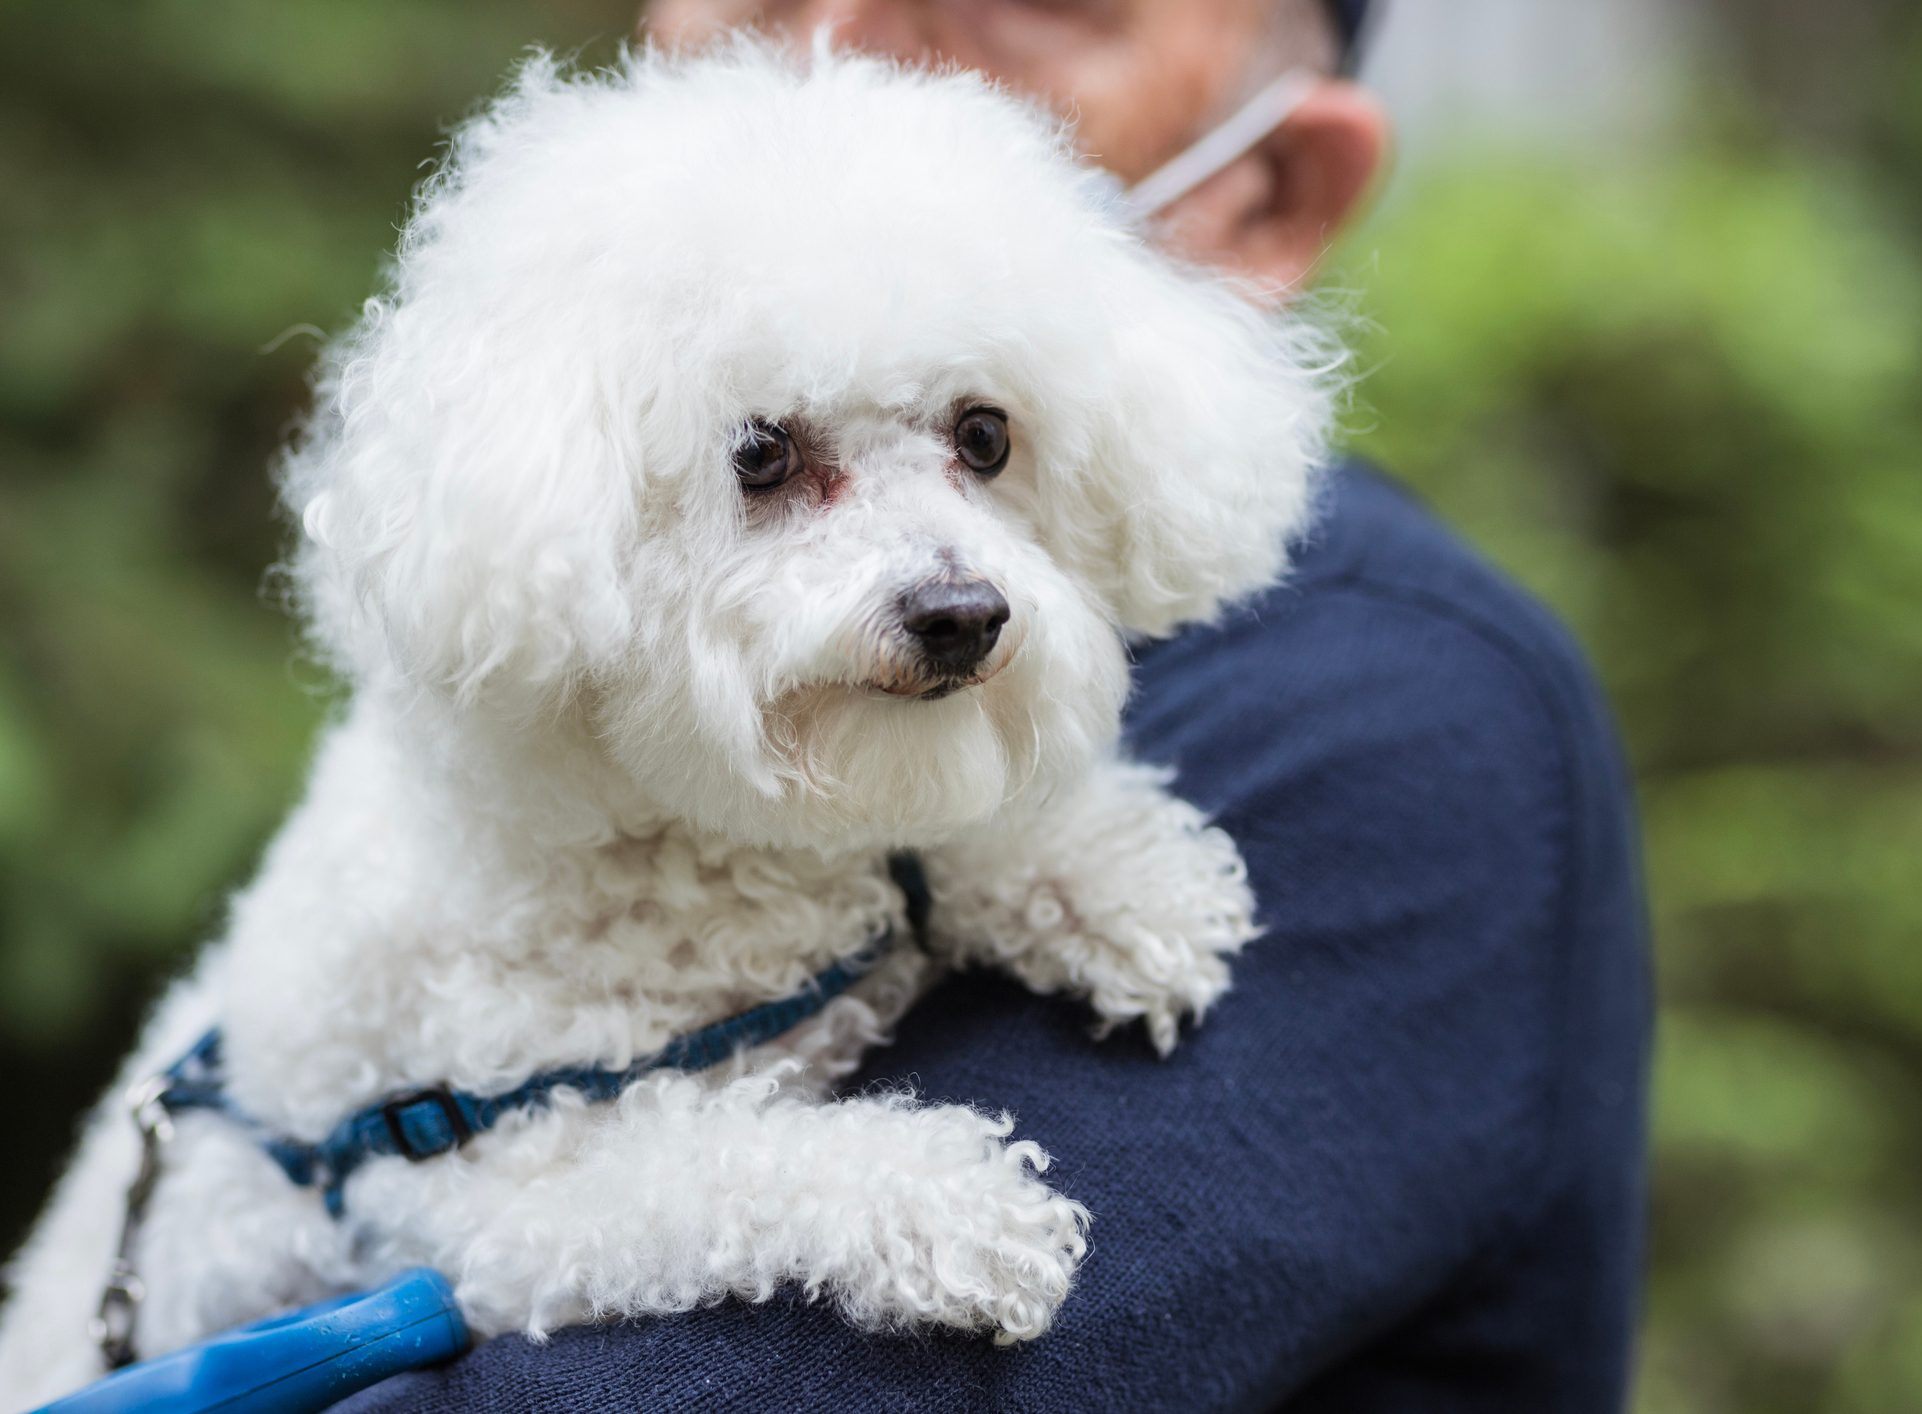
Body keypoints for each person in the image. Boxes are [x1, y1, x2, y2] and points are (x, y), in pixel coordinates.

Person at [344, 1, 1652, 1409]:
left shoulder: (1409, 722)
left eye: (1009, 1)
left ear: (1265, 191)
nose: (827, 50)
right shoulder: (567, 690)